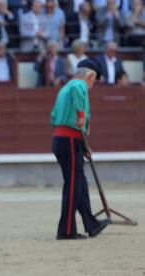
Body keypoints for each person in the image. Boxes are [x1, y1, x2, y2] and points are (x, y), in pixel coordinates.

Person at [51, 59, 110, 240]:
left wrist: (84, 146)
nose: (92, 86)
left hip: (65, 139)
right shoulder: (78, 85)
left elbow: (54, 116)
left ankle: (90, 223)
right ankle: (66, 230)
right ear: (90, 76)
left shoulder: (65, 88)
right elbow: (79, 115)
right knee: (74, 185)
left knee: (80, 184)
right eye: (93, 81)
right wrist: (81, 115)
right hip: (69, 139)